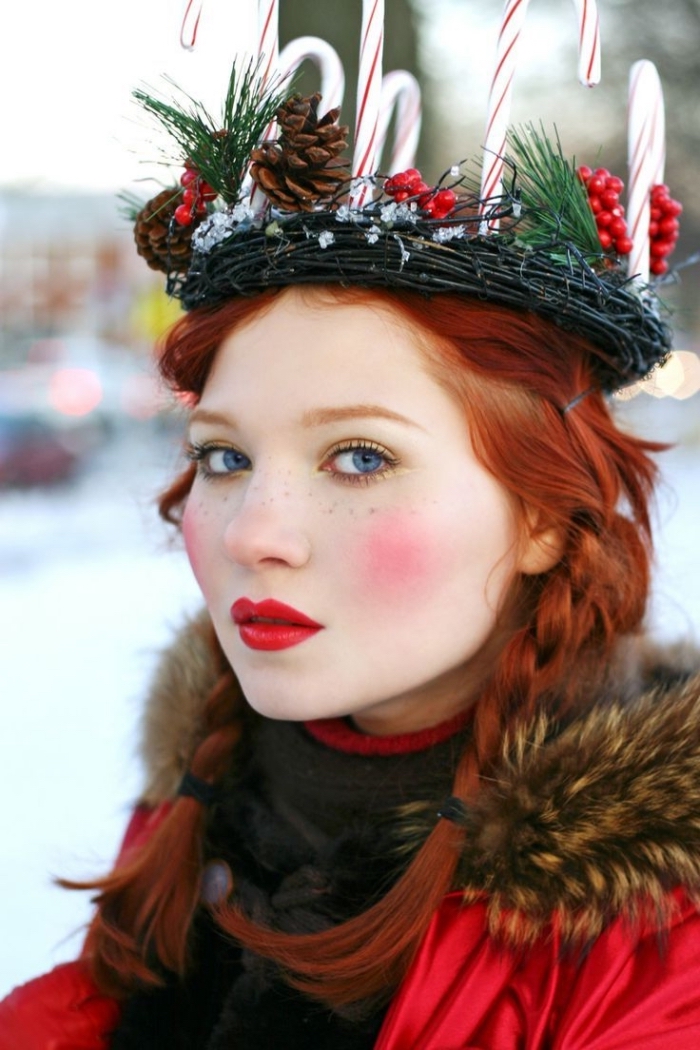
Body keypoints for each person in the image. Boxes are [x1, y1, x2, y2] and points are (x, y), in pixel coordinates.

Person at [2, 27, 700, 1050]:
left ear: (546, 519)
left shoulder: (659, 940)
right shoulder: (208, 790)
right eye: (224, 457)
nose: (256, 534)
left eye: (361, 458)